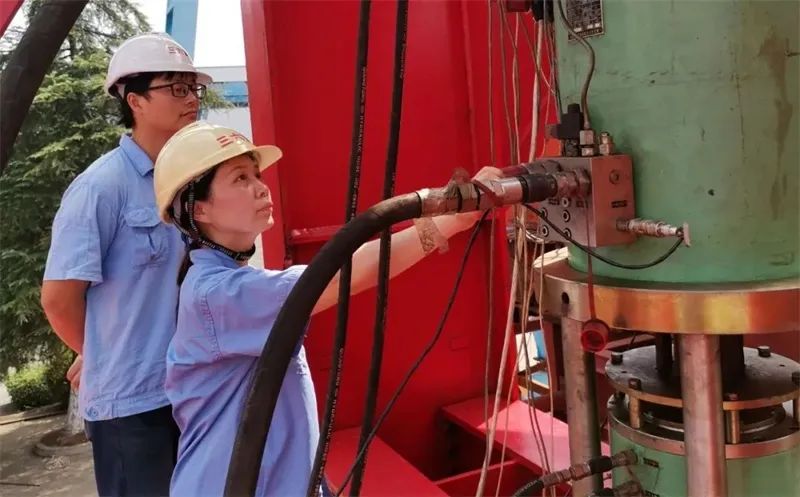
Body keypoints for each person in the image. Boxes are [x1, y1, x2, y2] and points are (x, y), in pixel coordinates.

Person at [152, 120, 502, 496]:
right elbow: (339, 274)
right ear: (199, 210)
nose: (260, 187)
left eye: (256, 174)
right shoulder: (215, 294)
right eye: (240, 178)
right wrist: (451, 221)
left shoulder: (226, 283)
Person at [40, 33, 211, 497]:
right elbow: (58, 299)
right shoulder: (101, 188)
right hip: (132, 407)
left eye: (194, 88)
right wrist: (98, 351)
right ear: (134, 100)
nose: (192, 99)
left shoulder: (190, 183)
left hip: (190, 389)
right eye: (176, 88)